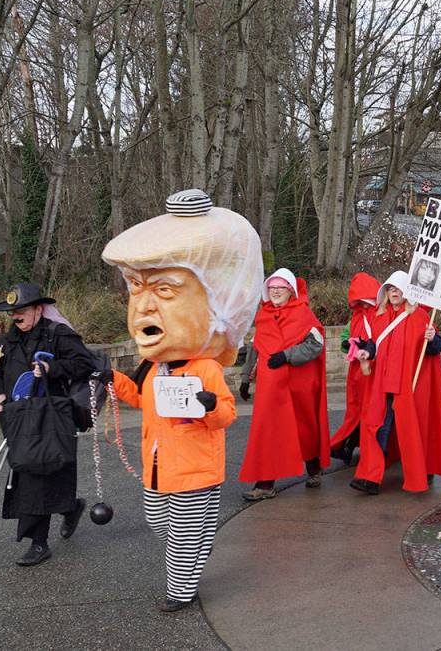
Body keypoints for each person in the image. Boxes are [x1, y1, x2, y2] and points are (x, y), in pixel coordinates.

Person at [102, 189, 259, 612]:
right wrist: (111, 380)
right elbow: (140, 400)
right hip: (156, 465)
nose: (144, 307)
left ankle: (180, 592)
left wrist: (208, 404)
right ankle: (193, 555)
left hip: (195, 466)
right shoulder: (154, 368)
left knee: (184, 535)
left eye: (165, 290)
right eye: (136, 288)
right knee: (160, 523)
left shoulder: (205, 368)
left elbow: (226, 415)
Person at [0, 283, 94, 567]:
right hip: (19, 419)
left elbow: (85, 363)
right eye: (12, 313)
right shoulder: (5, 343)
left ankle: (39, 541)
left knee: (49, 470)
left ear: (38, 309)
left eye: (21, 311)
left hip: (53, 417)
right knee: (30, 474)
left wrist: (52, 368)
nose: (15, 317)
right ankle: (66, 511)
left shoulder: (58, 335)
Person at [350, 271, 441, 494]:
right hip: (382, 384)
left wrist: (433, 338)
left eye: (398, 289)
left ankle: (421, 469)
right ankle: (371, 478)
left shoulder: (420, 316)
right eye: (390, 289)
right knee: (378, 427)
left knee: (413, 427)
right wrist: (366, 353)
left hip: (408, 386)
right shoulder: (379, 315)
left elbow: (432, 350)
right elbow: (375, 345)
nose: (394, 293)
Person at [239, 269, 329, 500]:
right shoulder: (264, 316)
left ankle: (313, 468)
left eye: (281, 287)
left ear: (290, 290)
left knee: (303, 429)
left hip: (298, 384)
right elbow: (256, 347)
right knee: (269, 431)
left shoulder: (304, 315)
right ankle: (266, 484)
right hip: (271, 386)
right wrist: (245, 378)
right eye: (272, 287)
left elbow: (316, 345)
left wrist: (287, 355)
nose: (276, 291)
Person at [330, 272, 382, 463]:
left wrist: (363, 346)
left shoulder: (379, 315)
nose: (364, 306)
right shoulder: (357, 318)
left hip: (374, 370)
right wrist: (351, 345)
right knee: (358, 411)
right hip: (359, 371)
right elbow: (346, 338)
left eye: (367, 301)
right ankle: (348, 446)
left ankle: (349, 447)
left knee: (368, 413)